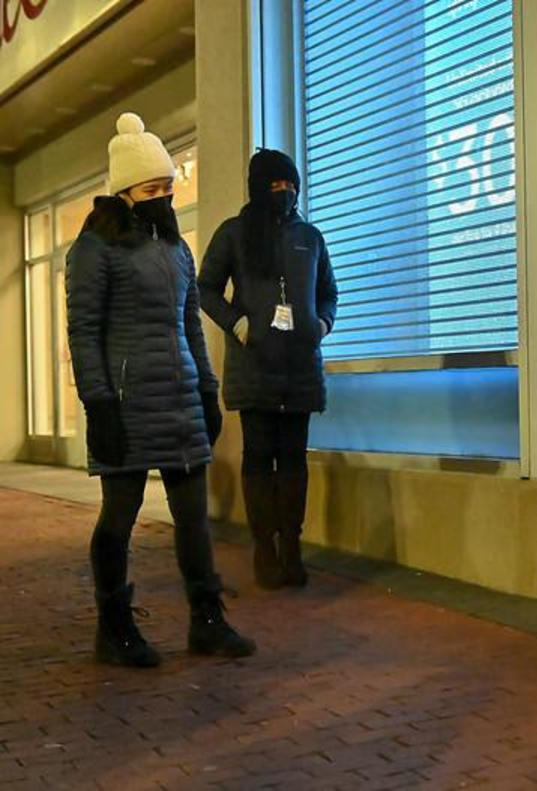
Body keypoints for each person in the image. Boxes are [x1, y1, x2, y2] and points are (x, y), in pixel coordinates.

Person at [67, 112, 257, 668]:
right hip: (126, 407)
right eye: (152, 189)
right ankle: (114, 625)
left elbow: (191, 324)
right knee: (118, 519)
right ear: (124, 192)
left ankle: (207, 620)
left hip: (179, 404)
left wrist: (206, 388)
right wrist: (97, 403)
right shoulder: (94, 249)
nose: (164, 198)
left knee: (194, 519)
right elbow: (83, 331)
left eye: (169, 188)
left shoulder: (176, 249)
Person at [198, 149, 337, 589]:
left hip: (300, 367)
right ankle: (265, 549)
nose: (285, 191)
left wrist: (321, 323)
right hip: (254, 366)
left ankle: (292, 548)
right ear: (258, 187)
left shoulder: (310, 238)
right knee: (259, 459)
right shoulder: (235, 234)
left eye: (290, 183)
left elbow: (329, 292)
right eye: (276, 184)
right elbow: (206, 288)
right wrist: (238, 324)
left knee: (294, 461)